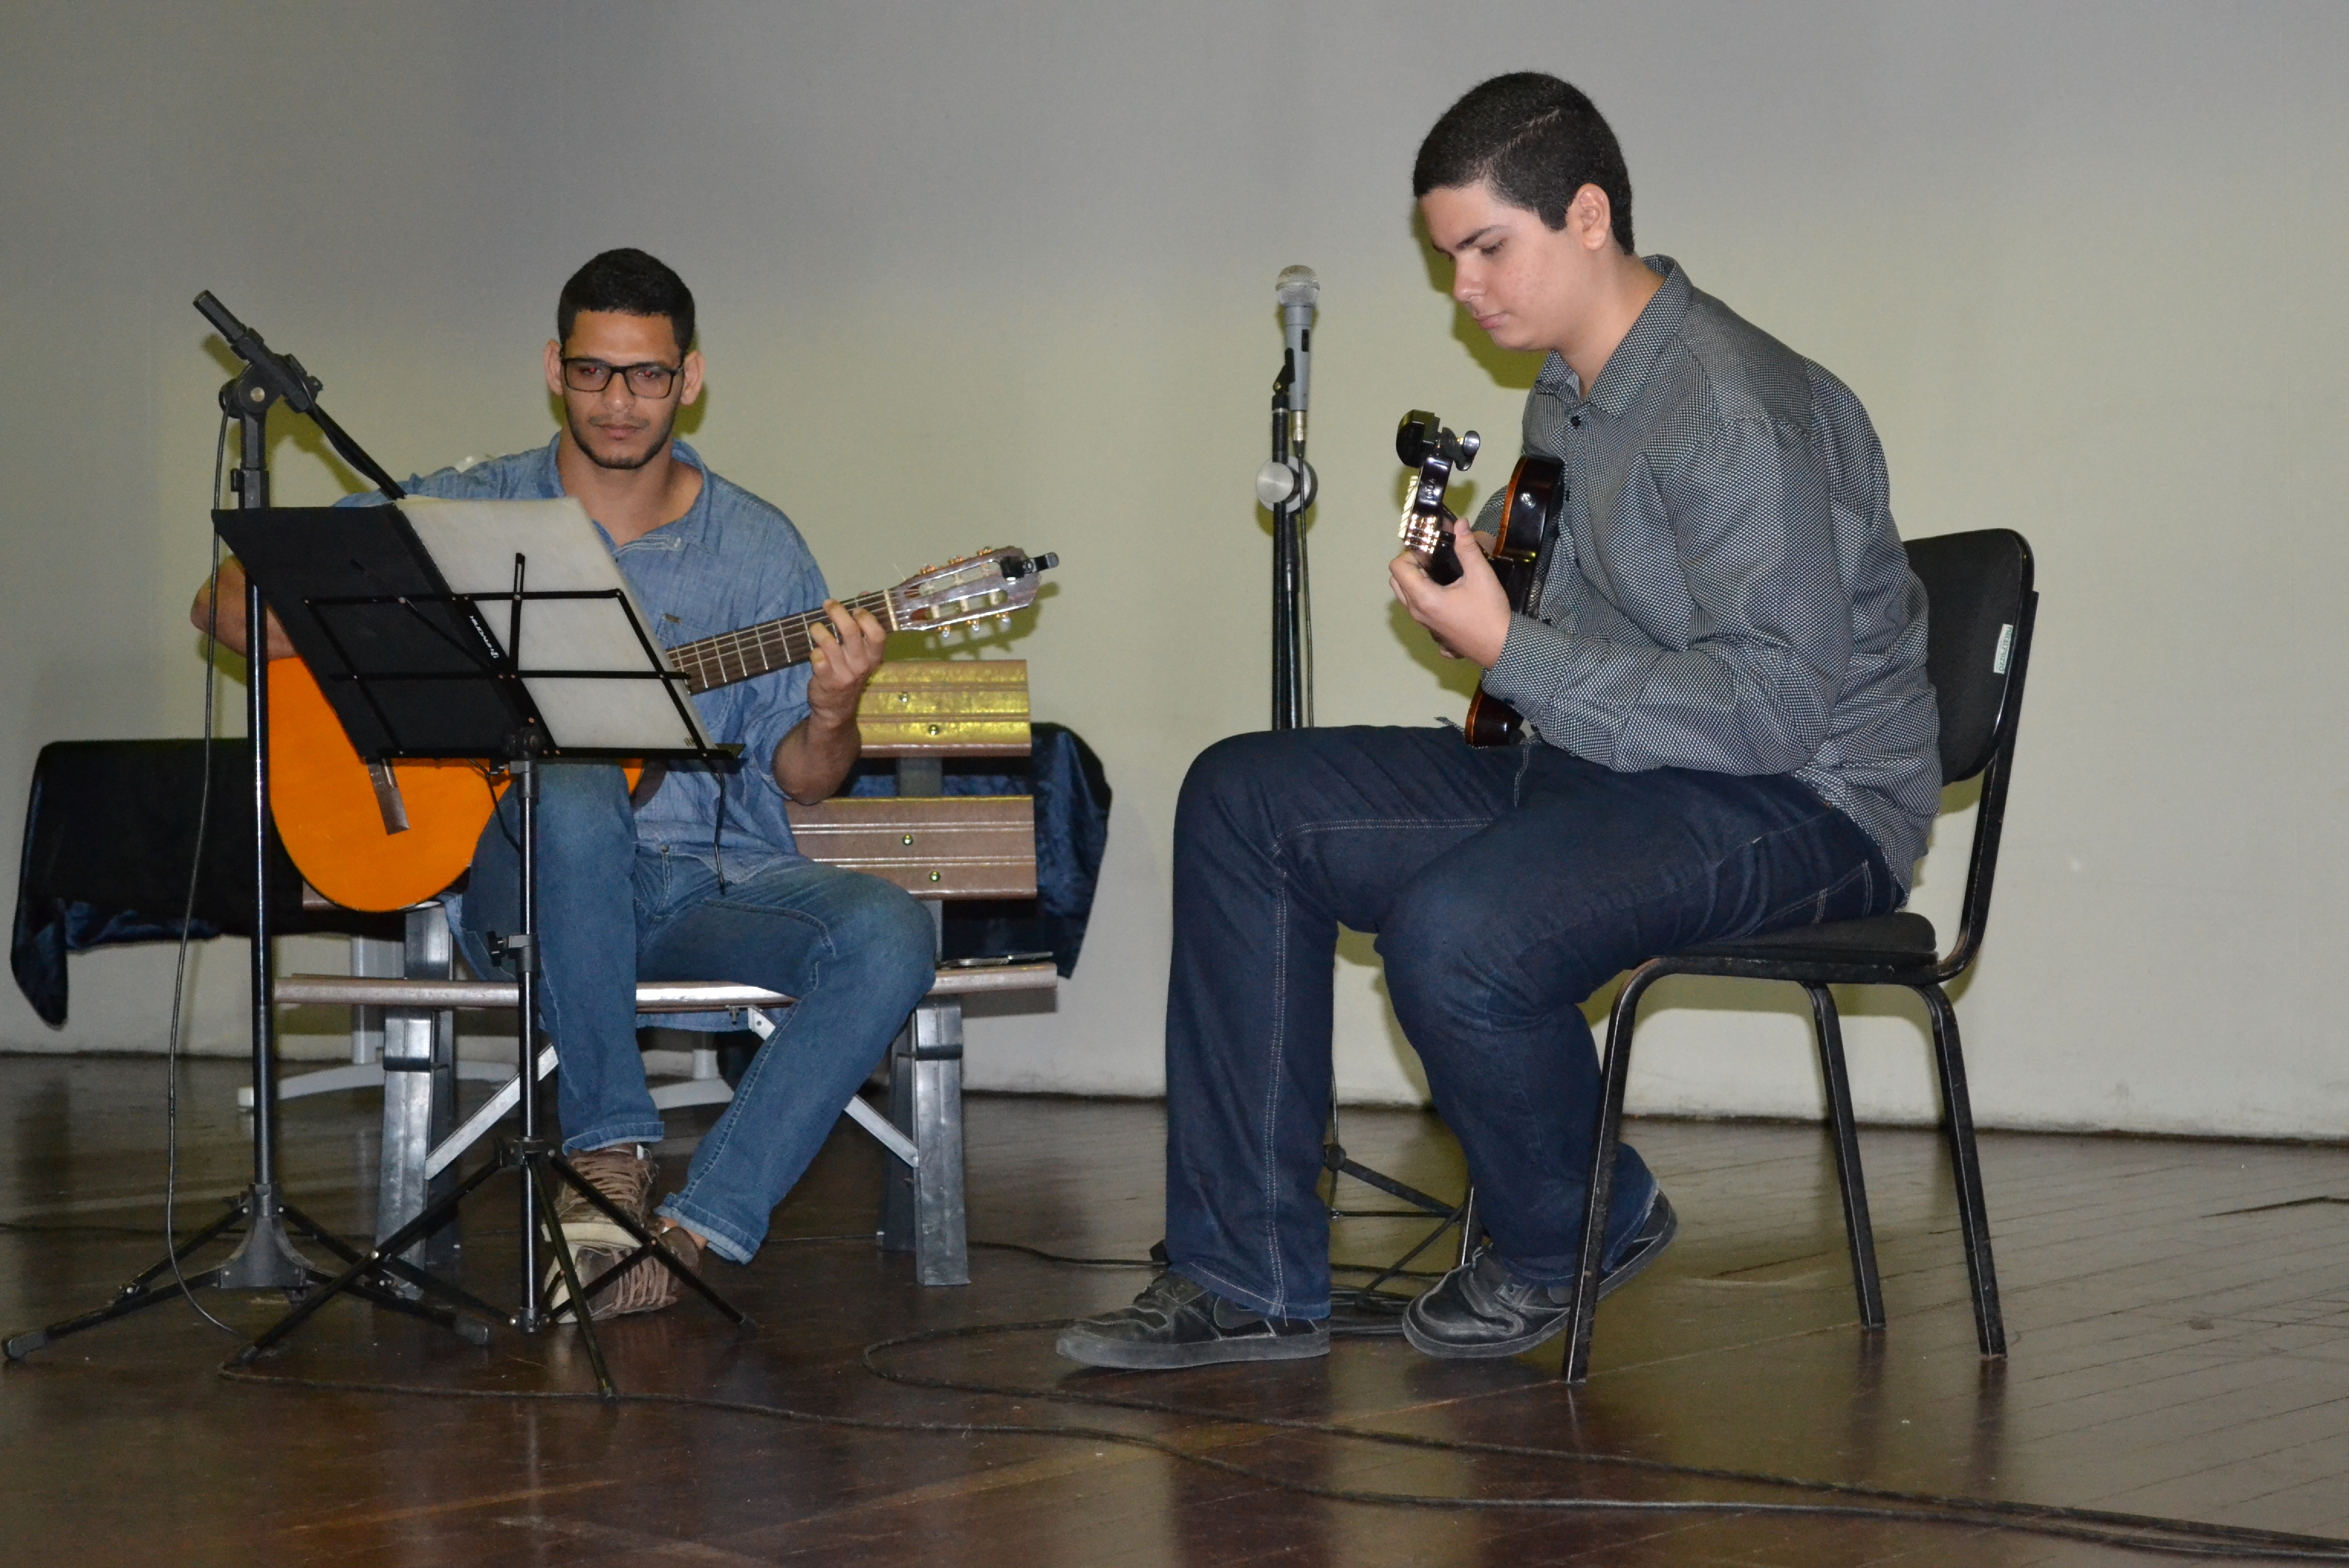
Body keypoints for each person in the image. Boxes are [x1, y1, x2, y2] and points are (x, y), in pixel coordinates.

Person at [1057, 75, 1941, 1369]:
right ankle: (1245, 1275)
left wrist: (1511, 649)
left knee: (1459, 933)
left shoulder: (1732, 408)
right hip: (1616, 771)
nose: (1463, 289)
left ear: (1587, 216)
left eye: (1486, 249)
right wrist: (1499, 595)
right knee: (1245, 800)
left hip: (1806, 803)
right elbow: (1605, 630)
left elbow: (1770, 709)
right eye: (1446, 259)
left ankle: (1579, 1225)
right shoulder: (1566, 393)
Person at [193, 248, 937, 1318]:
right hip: (528, 887)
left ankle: (688, 1236)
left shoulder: (758, 548)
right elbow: (221, 603)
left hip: (706, 888)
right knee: (578, 782)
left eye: (647, 375)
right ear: (555, 368)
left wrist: (834, 710)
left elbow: (808, 784)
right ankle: (610, 1152)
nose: (619, 401)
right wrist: (399, 634)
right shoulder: (466, 507)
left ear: (689, 379)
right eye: (594, 372)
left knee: (890, 932)